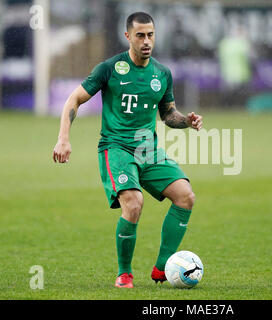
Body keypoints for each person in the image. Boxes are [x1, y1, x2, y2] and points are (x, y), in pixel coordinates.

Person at [52, 12, 203, 289]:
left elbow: (168, 115)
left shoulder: (162, 73)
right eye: (140, 35)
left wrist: (187, 121)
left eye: (151, 35)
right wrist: (63, 138)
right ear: (128, 37)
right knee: (133, 203)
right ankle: (124, 273)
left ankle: (162, 269)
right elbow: (74, 99)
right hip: (116, 147)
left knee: (186, 196)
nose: (147, 41)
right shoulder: (109, 68)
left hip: (148, 150)